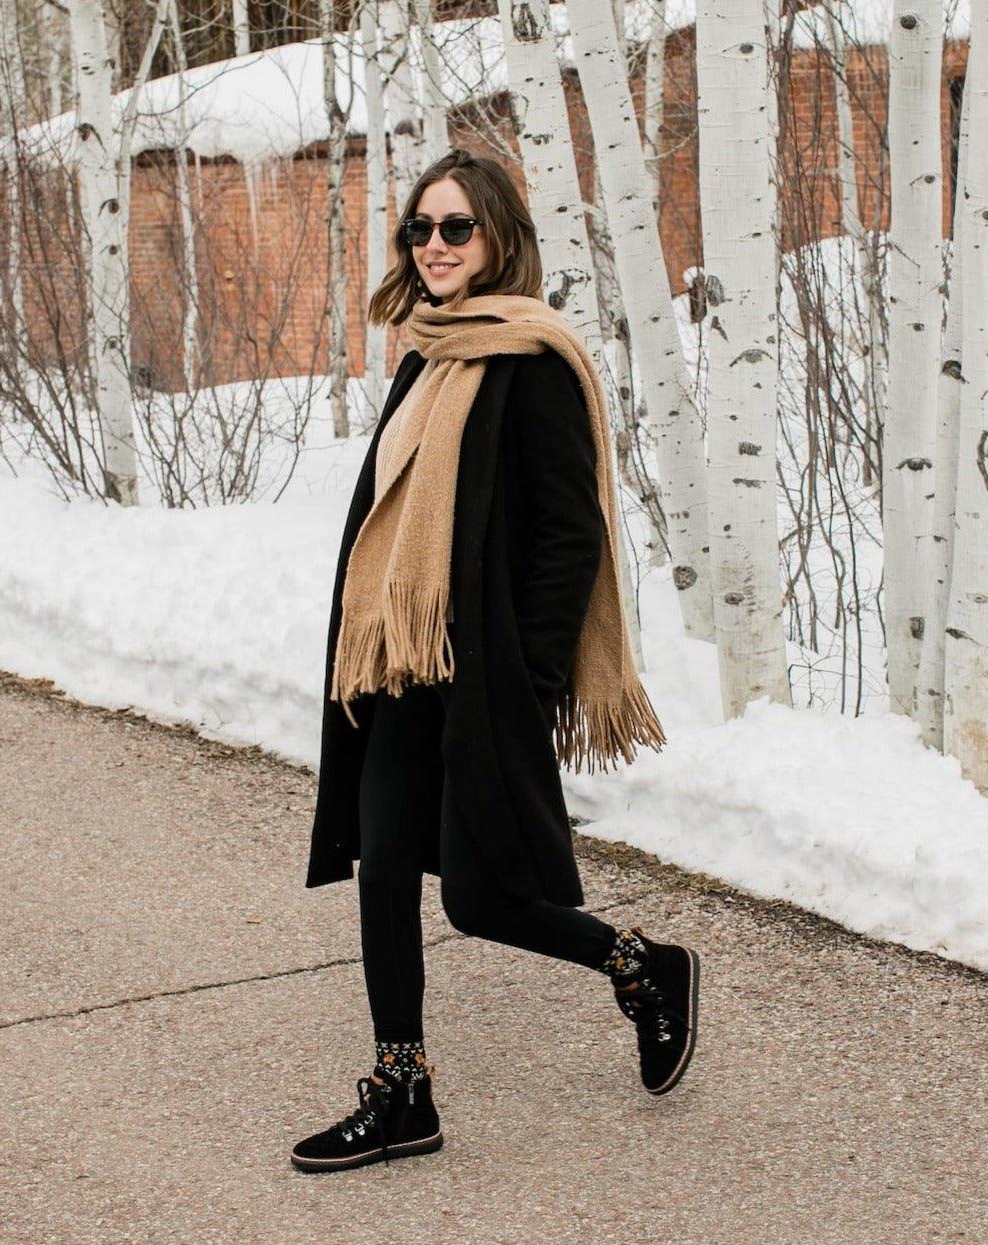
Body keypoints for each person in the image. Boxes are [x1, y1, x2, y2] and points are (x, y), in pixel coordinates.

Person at [291, 149, 700, 1173]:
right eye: (419, 230)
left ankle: (643, 968)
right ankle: (403, 1091)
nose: (433, 247)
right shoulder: (427, 351)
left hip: (483, 671)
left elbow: (571, 536)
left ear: (499, 238)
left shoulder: (532, 359)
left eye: (454, 229)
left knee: (478, 898)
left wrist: (531, 679)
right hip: (401, 659)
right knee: (383, 868)